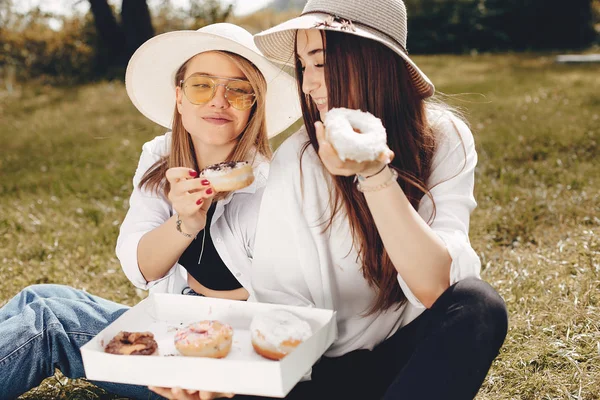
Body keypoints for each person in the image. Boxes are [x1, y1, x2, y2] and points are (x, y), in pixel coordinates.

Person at [0, 23, 300, 400]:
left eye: (239, 90)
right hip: (175, 319)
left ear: (254, 105)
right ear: (179, 97)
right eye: (201, 85)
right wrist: (186, 223)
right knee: (38, 296)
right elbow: (140, 268)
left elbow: (279, 309)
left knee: (47, 323)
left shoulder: (273, 185)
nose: (218, 100)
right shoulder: (161, 157)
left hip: (219, 361)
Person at [248, 0, 508, 399]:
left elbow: (436, 287)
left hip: (404, 361)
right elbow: (281, 306)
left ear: (370, 60)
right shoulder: (298, 161)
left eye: (320, 63)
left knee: (479, 305)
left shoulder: (443, 137)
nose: (307, 84)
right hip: (318, 374)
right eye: (303, 66)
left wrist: (374, 173)